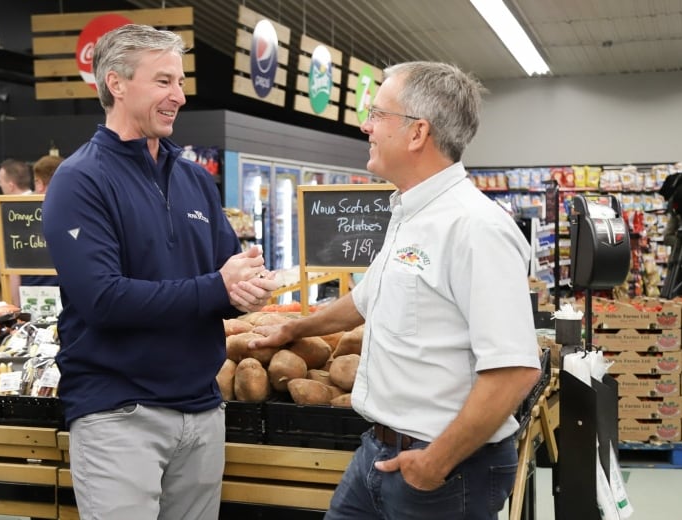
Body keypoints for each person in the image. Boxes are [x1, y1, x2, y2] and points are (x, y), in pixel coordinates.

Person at [249, 61, 542, 520]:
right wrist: (294, 329)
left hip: (443, 470)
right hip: (378, 452)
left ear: (416, 133)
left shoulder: (475, 228)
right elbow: (366, 300)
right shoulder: (409, 214)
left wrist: (435, 462)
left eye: (377, 114)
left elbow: (514, 370)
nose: (366, 126)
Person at [42, 24, 279, 520]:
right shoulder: (80, 180)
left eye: (180, 82)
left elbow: (230, 272)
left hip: (202, 409)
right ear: (116, 83)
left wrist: (249, 288)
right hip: (119, 415)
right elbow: (102, 300)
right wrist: (218, 286)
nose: (179, 96)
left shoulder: (193, 178)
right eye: (164, 81)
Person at [9, 153, 65, 307]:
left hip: (30, 303)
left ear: (39, 183)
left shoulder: (17, 215)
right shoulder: (74, 211)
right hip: (67, 302)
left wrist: (16, 310)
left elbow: (14, 272)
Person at [0, 158, 32, 295]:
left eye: (1, 181)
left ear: (11, 185)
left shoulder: (15, 212)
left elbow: (14, 256)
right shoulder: (38, 206)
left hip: (20, 296)